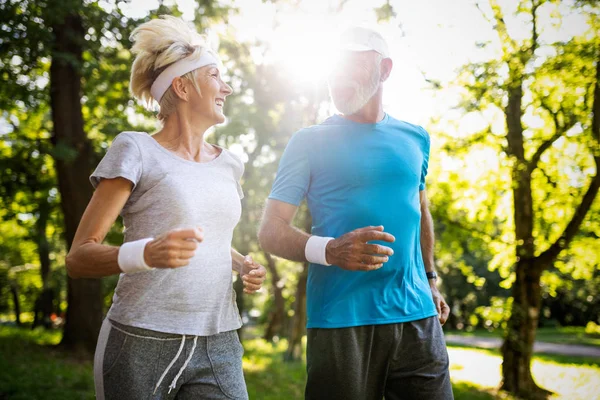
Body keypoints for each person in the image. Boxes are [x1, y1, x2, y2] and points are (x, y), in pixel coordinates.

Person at [66, 15, 266, 400]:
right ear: (182, 86)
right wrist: (148, 253)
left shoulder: (230, 164)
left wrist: (242, 263)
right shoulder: (136, 149)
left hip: (219, 338)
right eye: (215, 76)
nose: (227, 87)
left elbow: (201, 239)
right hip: (141, 337)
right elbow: (78, 258)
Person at [258, 26, 453, 400]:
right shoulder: (308, 141)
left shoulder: (416, 138)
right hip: (342, 319)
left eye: (351, 64)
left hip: (417, 316)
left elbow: (420, 209)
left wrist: (430, 278)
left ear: (385, 70)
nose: (338, 77)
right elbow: (270, 230)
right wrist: (329, 250)